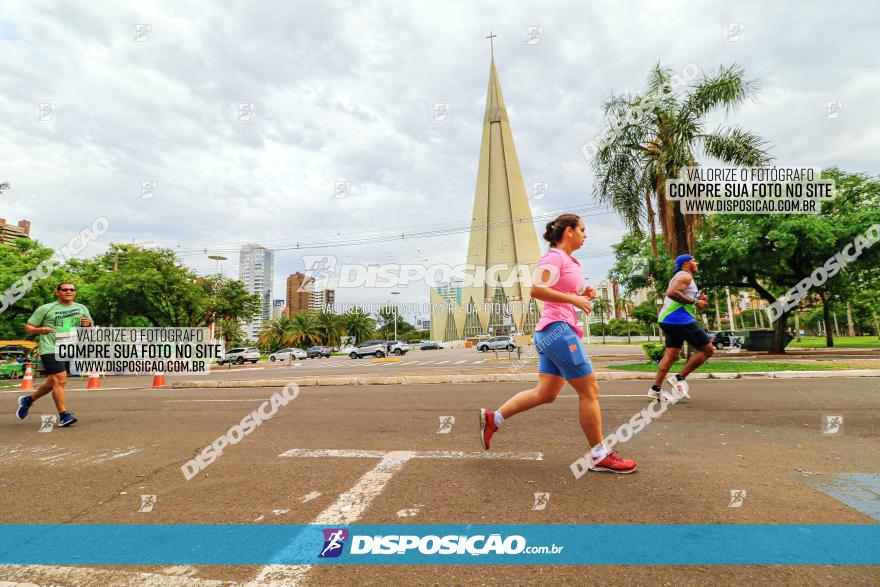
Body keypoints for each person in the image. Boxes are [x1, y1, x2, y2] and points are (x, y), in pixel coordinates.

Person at [478, 214, 638, 474]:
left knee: (546, 393)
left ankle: (493, 418)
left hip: (551, 331)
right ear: (569, 232)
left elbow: (560, 294)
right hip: (558, 331)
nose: (586, 234)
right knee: (590, 390)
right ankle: (599, 455)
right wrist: (575, 301)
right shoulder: (554, 257)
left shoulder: (571, 261)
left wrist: (581, 294)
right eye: (583, 229)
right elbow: (537, 289)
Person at [16, 281, 93, 427]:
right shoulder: (46, 308)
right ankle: (64, 415)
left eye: (71, 289)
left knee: (53, 382)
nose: (68, 292)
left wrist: (88, 325)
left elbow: (90, 328)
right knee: (60, 380)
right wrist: (40, 330)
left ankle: (28, 400)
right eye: (64, 290)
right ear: (57, 292)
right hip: (50, 348)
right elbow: (28, 327)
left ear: (75, 292)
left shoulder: (81, 308)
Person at [649, 254, 714, 401]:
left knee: (671, 355)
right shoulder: (685, 276)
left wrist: (698, 299)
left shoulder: (683, 277)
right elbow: (671, 293)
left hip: (668, 320)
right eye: (693, 260)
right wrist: (695, 302)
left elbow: (681, 294)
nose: (696, 263)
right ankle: (679, 378)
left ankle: (655, 389)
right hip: (679, 319)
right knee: (708, 350)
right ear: (686, 263)